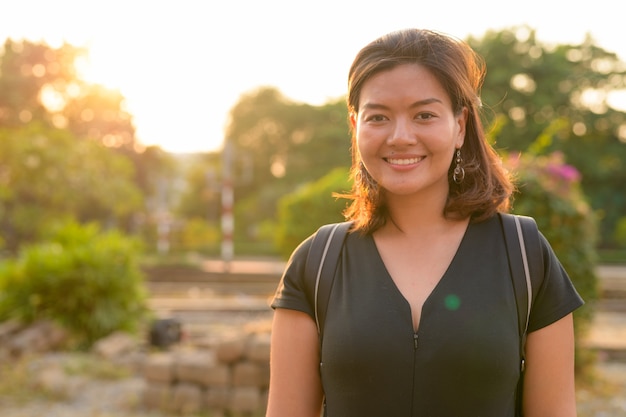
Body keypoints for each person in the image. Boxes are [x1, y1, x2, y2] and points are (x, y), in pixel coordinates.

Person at [266, 28, 583, 417]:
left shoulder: (525, 253)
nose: (401, 137)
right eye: (378, 116)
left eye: (424, 115)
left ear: (460, 125)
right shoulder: (317, 263)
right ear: (355, 126)